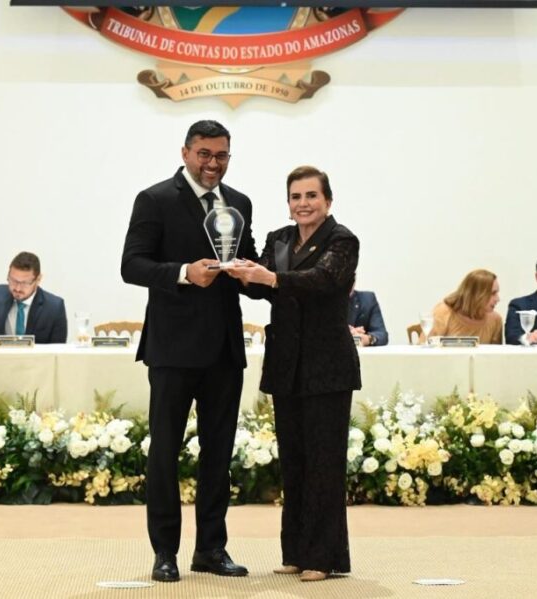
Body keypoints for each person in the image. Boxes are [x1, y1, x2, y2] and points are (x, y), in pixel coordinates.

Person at [120, 120, 257, 583]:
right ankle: (165, 552)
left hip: (224, 350)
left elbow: (247, 261)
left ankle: (211, 549)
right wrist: (182, 272)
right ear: (185, 153)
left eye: (221, 155)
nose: (213, 163)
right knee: (165, 453)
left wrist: (259, 276)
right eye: (204, 154)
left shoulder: (239, 203)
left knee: (219, 456)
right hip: (172, 349)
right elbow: (131, 265)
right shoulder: (154, 199)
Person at [227, 166, 360, 582]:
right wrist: (237, 270)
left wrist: (270, 277)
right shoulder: (279, 239)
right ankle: (296, 552)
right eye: (296, 197)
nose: (303, 204)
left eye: (311, 196)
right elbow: (263, 287)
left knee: (324, 463)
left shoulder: (342, 240)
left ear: (328, 201)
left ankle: (323, 556)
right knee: (294, 461)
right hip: (287, 364)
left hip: (327, 366)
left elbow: (323, 281)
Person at [0, 252, 67, 343]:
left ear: (38, 279)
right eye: (13, 281)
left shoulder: (54, 308)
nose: (17, 288)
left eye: (24, 283)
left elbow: (58, 349)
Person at [429, 269, 503, 344]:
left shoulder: (495, 320)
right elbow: (426, 346)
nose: (498, 299)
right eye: (493, 293)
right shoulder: (443, 312)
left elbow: (497, 351)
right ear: (476, 293)